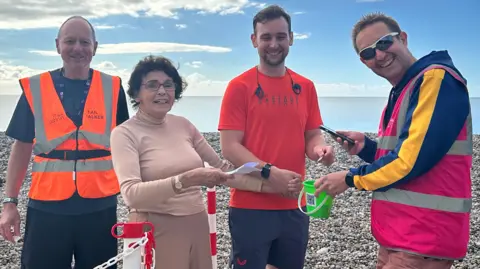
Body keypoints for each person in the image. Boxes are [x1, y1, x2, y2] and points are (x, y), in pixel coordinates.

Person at [314, 12, 472, 269]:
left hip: (423, 238)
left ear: (404, 39)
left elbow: (409, 162)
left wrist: (349, 178)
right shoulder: (404, 89)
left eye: (384, 43)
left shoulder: (435, 80)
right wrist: (367, 148)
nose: (379, 55)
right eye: (367, 53)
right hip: (399, 237)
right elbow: (409, 152)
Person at [109, 55, 293, 269]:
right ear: (136, 93)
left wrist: (273, 186)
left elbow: (224, 171)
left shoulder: (184, 125)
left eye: (168, 85)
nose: (162, 91)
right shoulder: (124, 133)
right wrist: (184, 180)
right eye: (152, 85)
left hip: (197, 222)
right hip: (156, 227)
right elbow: (131, 194)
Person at [0, 16, 130, 269]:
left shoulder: (113, 88)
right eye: (70, 41)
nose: (78, 48)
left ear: (95, 47)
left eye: (85, 42)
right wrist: (9, 203)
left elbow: (125, 144)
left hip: (99, 206)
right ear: (57, 45)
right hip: (47, 206)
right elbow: (22, 147)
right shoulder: (35, 87)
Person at [218, 4, 335, 269]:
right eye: (266, 37)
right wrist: (270, 172)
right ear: (254, 41)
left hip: (294, 204)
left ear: (291, 38)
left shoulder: (305, 87)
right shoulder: (239, 87)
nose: (274, 44)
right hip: (250, 204)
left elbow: (312, 135)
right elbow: (230, 148)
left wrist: (321, 151)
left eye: (280, 36)